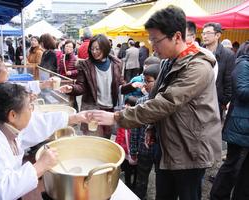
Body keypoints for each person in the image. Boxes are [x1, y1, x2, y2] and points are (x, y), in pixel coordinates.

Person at [90, 6, 222, 200]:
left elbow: (165, 103)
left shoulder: (198, 66)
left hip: (190, 148)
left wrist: (117, 117)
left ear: (177, 36)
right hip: (168, 143)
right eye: (150, 39)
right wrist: (151, 126)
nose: (152, 45)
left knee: (188, 195)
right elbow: (154, 96)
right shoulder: (168, 61)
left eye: (155, 39)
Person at [0, 82, 89, 199]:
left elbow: (39, 123)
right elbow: (0, 192)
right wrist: (40, 166)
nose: (32, 111)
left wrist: (74, 118)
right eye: (29, 107)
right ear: (12, 115)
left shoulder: (3, 125)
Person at [59, 34, 123, 139]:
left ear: (105, 48)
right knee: (92, 138)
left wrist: (132, 86)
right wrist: (71, 88)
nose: (94, 52)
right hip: (93, 108)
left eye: (98, 49)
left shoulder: (116, 64)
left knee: (106, 139)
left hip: (110, 109)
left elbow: (120, 85)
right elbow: (81, 86)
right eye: (92, 49)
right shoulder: (85, 65)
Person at [0, 51, 53, 129]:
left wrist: (43, 85)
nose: (7, 69)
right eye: (4, 66)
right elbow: (9, 111)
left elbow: (16, 88)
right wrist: (26, 100)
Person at [210, 41, 249, 200]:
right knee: (233, 166)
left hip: (244, 125)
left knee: (245, 170)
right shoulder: (243, 64)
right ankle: (218, 195)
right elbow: (242, 91)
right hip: (240, 126)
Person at [130, 64, 160, 200]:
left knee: (162, 180)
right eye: (144, 80)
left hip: (161, 151)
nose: (145, 84)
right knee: (141, 178)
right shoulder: (141, 101)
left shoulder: (166, 102)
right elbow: (135, 128)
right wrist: (133, 149)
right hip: (144, 150)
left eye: (148, 81)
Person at [202, 22, 235, 121]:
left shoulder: (228, 55)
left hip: (216, 102)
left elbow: (229, 82)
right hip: (198, 101)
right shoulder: (198, 52)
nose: (204, 36)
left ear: (217, 35)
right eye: (203, 33)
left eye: (208, 33)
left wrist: (223, 102)